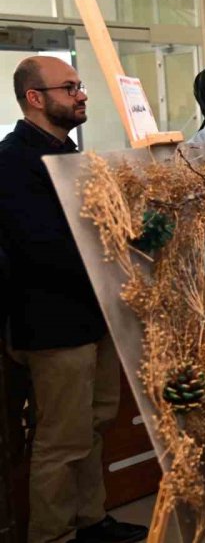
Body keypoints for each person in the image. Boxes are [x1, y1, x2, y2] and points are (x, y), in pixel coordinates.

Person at [0, 56, 148, 543]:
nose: (81, 94)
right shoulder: (12, 161)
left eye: (80, 85)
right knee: (62, 440)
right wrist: (112, 248)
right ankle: (52, 535)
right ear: (35, 99)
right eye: (69, 88)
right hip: (51, 325)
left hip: (95, 316)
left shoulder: (75, 156)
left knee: (95, 425)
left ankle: (90, 520)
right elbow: (41, 246)